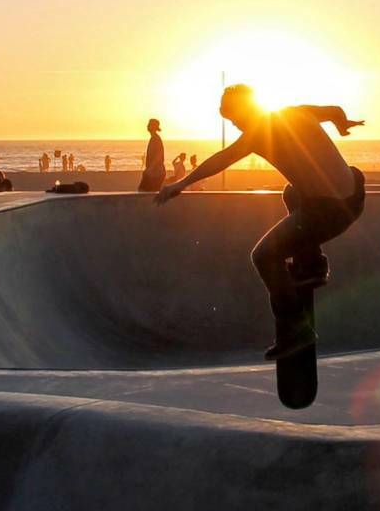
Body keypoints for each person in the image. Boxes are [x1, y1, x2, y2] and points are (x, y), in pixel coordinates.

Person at [154, 84, 365, 361]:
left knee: (264, 256)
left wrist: (180, 184)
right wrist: (342, 125)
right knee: (291, 191)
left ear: (246, 111)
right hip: (355, 191)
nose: (237, 126)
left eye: (236, 120)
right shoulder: (296, 112)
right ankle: (313, 262)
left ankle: (295, 330)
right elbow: (335, 111)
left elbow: (221, 159)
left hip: (329, 214)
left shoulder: (256, 134)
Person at [139, 118, 166, 193]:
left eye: (149, 124)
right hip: (154, 172)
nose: (147, 126)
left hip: (155, 173)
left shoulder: (156, 139)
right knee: (145, 192)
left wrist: (150, 169)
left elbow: (159, 156)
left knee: (144, 192)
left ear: (153, 126)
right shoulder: (154, 138)